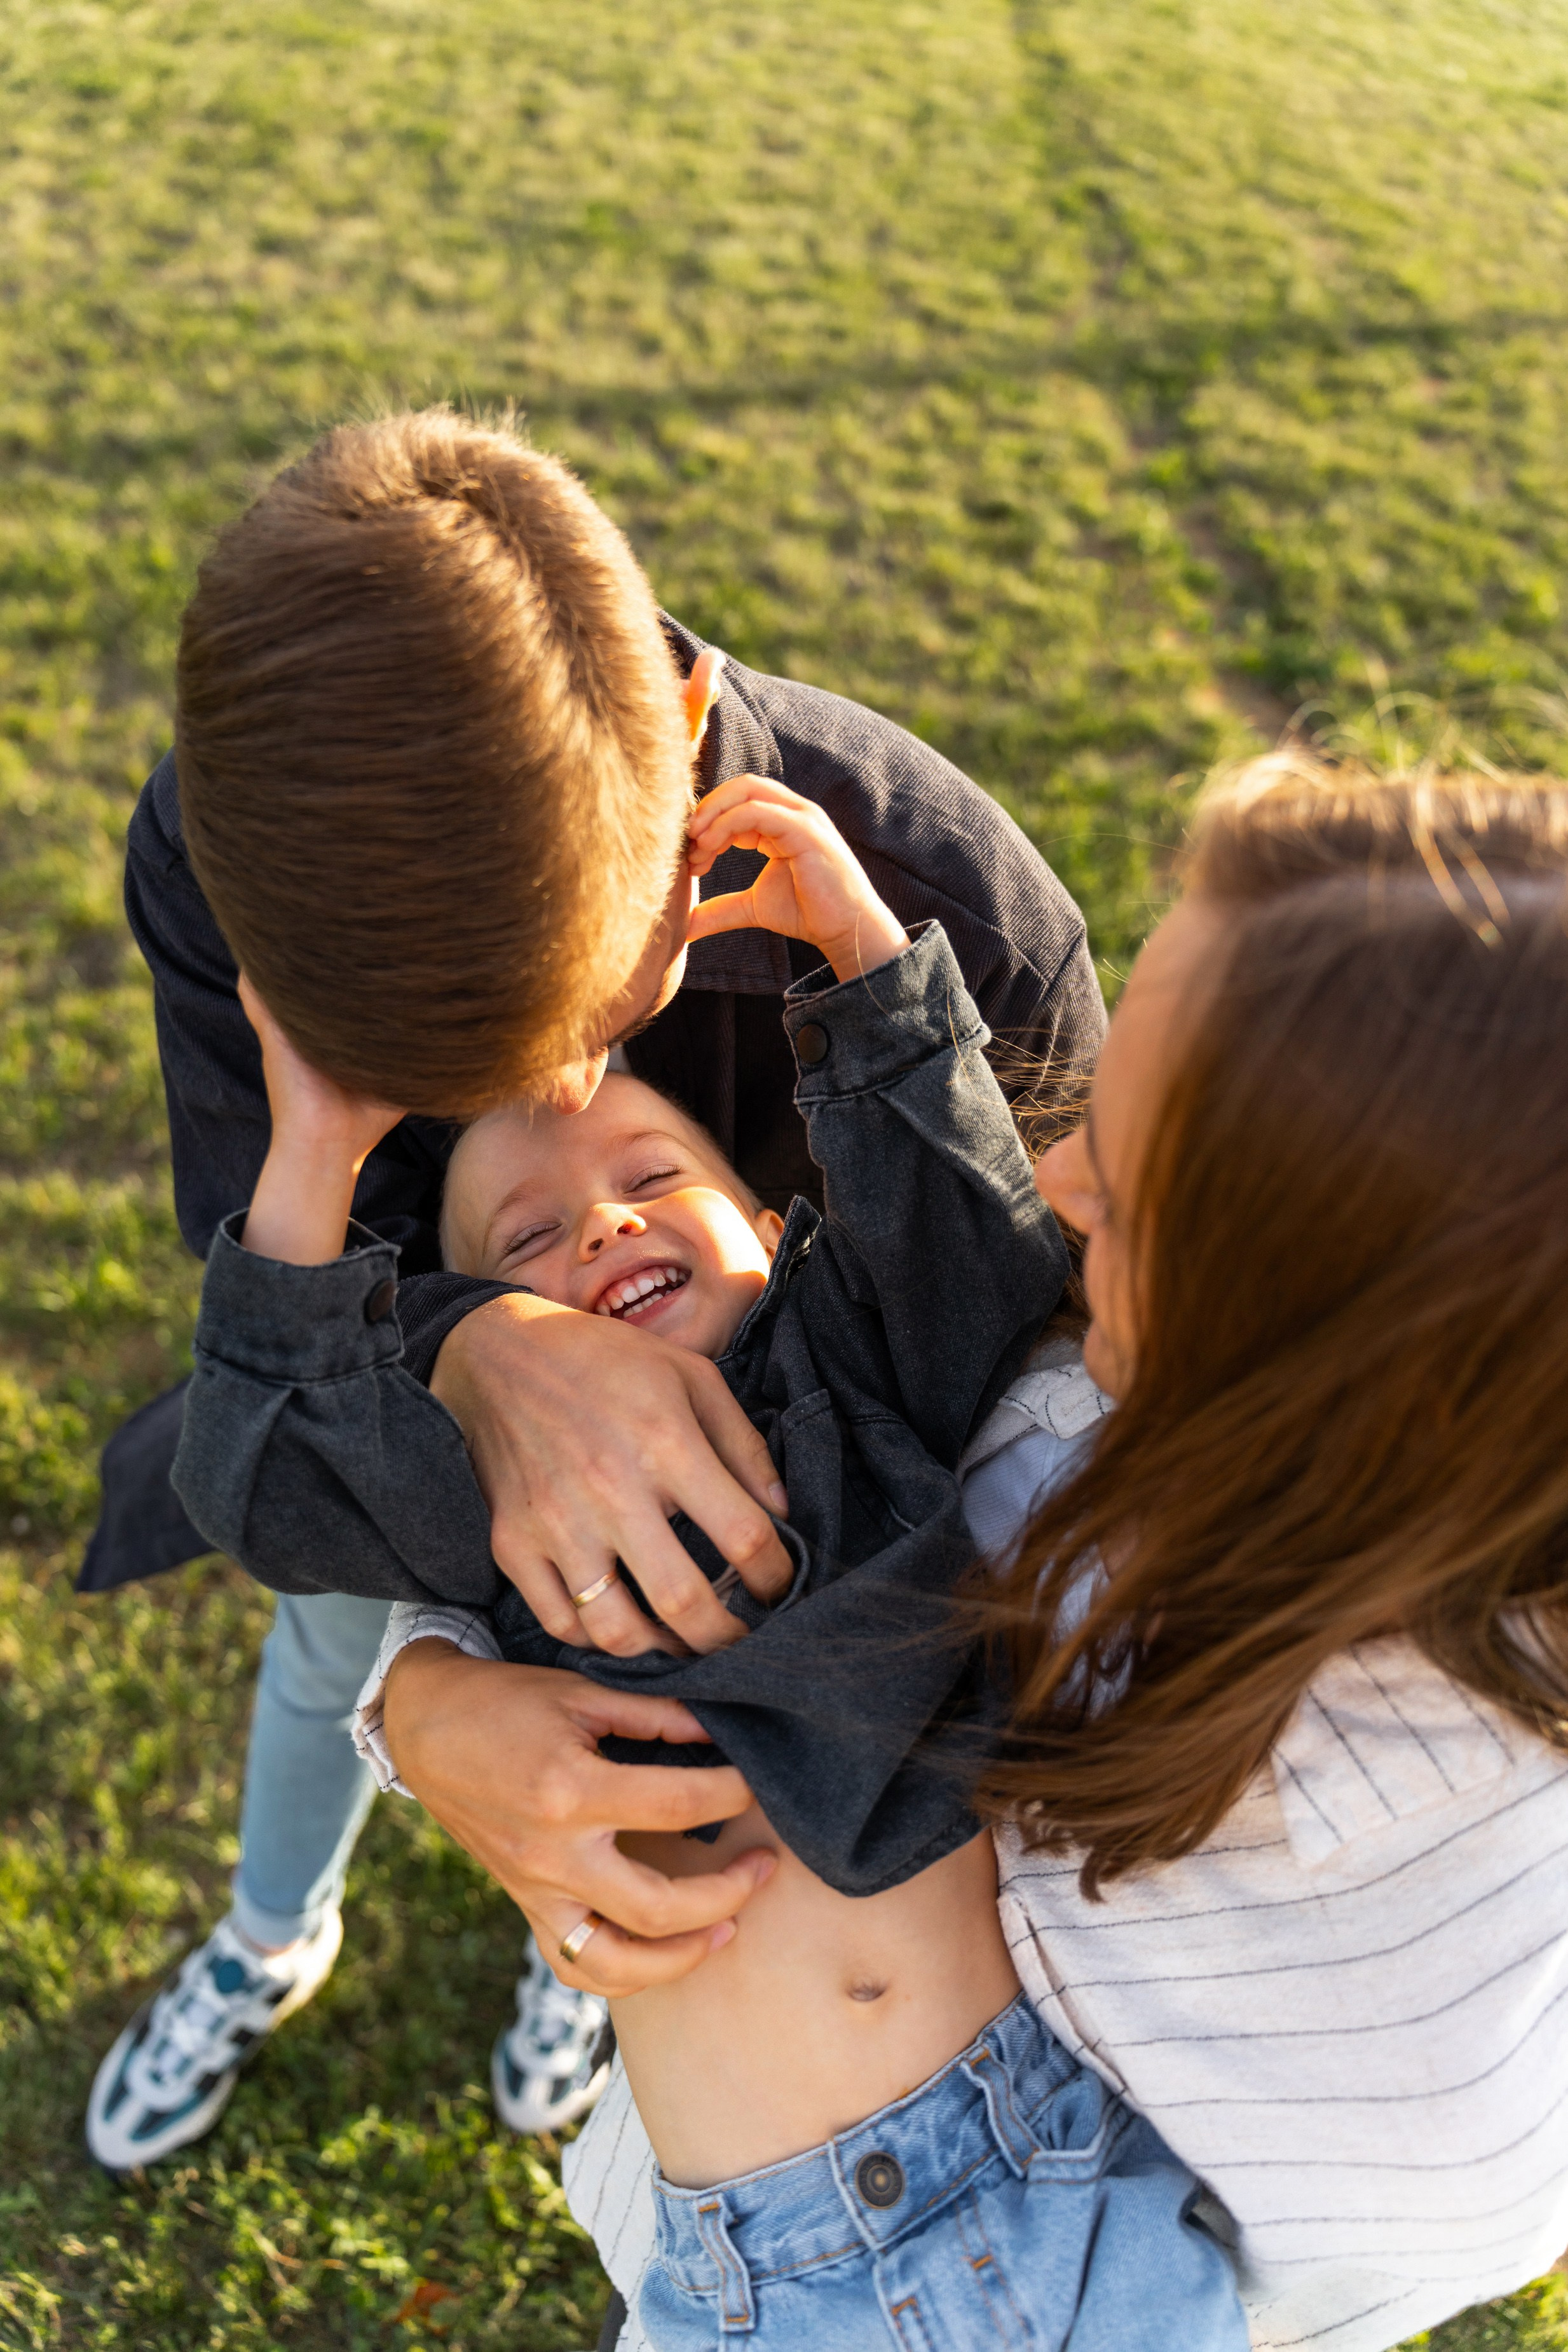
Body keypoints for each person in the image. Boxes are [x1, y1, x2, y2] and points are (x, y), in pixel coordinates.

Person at [84, 407, 1105, 2170]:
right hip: (409, 1458)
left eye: (595, 1022)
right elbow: (257, 1281)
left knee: (658, 1823)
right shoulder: (230, 850)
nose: (555, 1100)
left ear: (688, 741)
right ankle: (269, 1932)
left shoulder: (956, 913)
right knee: (326, 1635)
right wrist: (468, 1380)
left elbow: (1040, 1339)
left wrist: (881, 1008)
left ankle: (603, 1904)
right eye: (438, 1080)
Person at [168, 781, 1246, 2352]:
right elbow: (257, 1476)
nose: (600, 1226)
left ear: (766, 1216)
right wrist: (315, 1147)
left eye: (652, 1179)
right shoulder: (499, 1504)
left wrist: (860, 952)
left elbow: (977, 1237)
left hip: (1065, 2177)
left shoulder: (862, 1356)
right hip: (757, 2282)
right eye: (523, 1242)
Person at [564, 754, 1568, 2352]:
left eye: (1137, 1183)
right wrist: (423, 1697)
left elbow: (1383, 2253)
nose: (1056, 1179)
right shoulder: (1094, 1389)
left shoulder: (1425, 1994)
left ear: (1332, 1349)